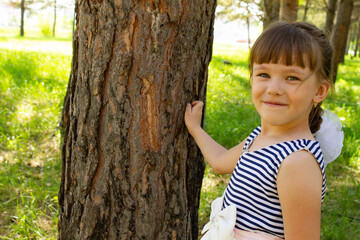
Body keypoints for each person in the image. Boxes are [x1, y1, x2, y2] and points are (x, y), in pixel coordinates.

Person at [185, 21, 344, 240]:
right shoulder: (260, 136)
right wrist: (195, 129)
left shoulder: (298, 161)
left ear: (319, 91)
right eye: (264, 75)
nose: (274, 89)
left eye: (292, 78)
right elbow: (221, 161)